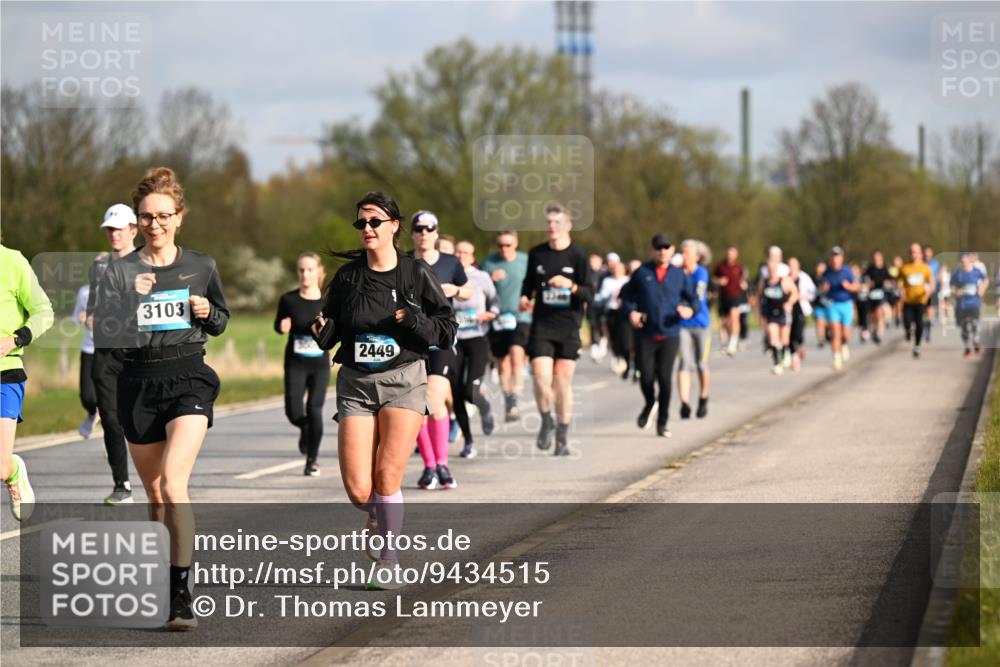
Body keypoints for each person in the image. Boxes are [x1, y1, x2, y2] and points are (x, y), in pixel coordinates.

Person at [93, 167, 229, 630]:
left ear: (179, 217)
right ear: (137, 221)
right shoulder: (120, 271)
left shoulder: (201, 265)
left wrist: (210, 312)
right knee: (154, 492)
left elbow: (221, 319)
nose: (155, 224)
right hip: (138, 382)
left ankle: (181, 591)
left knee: (173, 483)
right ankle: (162, 575)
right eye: (146, 217)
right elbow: (105, 335)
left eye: (163, 216)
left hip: (188, 375)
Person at [312, 191, 456, 588]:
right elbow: (333, 331)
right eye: (361, 223)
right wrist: (322, 333)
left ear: (395, 225)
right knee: (360, 490)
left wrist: (413, 321)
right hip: (356, 383)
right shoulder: (348, 278)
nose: (367, 229)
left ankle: (388, 563)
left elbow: (446, 328)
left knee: (387, 475)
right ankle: (378, 514)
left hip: (404, 379)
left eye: (375, 221)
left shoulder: (414, 274)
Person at [519, 203, 592, 456]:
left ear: (568, 226)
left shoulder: (578, 255)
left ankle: (562, 433)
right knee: (540, 377)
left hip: (569, 325)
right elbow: (528, 284)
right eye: (548, 222)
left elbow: (589, 293)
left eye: (557, 222)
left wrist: (570, 286)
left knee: (562, 381)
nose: (552, 227)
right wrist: (525, 297)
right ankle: (546, 419)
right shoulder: (537, 253)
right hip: (542, 324)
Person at [409, 211, 470, 489]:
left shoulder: (450, 262)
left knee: (434, 399)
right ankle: (430, 467)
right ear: (412, 233)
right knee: (417, 409)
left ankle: (443, 465)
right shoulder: (404, 263)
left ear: (436, 232)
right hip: (412, 342)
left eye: (429, 228)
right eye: (419, 228)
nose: (424, 233)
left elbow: (469, 291)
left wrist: (455, 291)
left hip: (442, 340)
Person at [86, 204, 140, 504]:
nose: (114, 234)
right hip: (105, 351)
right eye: (110, 229)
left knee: (139, 418)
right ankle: (122, 484)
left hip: (135, 351)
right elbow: (95, 300)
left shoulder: (146, 263)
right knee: (110, 418)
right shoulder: (99, 266)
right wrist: (91, 314)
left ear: (133, 230)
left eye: (119, 229)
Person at [620, 234, 698, 437]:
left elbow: (695, 300)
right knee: (646, 378)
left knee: (664, 379)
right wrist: (631, 312)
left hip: (670, 333)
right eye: (658, 248)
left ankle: (662, 422)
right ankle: (649, 403)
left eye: (666, 248)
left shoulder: (679, 275)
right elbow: (626, 295)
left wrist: (689, 310)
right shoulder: (642, 272)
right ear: (652, 250)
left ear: (672, 250)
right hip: (646, 333)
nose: (662, 251)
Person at [1, 243, 54, 521]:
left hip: (5, 372)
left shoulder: (12, 262)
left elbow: (44, 312)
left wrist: (16, 338)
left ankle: (13, 471)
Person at [275, 252, 330, 476]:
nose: (305, 274)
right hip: (295, 363)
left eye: (309, 269)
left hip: (319, 364)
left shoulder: (327, 301)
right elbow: (278, 324)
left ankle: (312, 460)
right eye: (301, 270)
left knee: (314, 409)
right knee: (294, 412)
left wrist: (327, 327)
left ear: (318, 271)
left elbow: (337, 330)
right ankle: (305, 428)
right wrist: (282, 326)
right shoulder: (289, 300)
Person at [452, 241, 499, 458]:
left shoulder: (481, 277)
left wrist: (491, 314)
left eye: (466, 253)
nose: (461, 255)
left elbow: (495, 302)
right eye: (458, 252)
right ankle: (469, 441)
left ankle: (484, 406)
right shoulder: (447, 275)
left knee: (471, 388)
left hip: (477, 338)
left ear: (472, 256)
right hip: (453, 341)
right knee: (456, 393)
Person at [481, 230, 531, 422]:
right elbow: (479, 288)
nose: (504, 249)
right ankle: (508, 397)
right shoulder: (488, 263)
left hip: (521, 316)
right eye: (500, 245)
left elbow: (534, 284)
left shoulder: (525, 261)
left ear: (516, 244)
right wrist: (490, 280)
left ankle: (515, 397)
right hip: (498, 318)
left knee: (517, 355)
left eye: (508, 245)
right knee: (502, 361)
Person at [678, 240, 711, 418]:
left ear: (696, 257)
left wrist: (690, 310)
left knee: (701, 363)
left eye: (687, 254)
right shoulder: (677, 273)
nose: (684, 257)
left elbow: (698, 295)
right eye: (682, 253)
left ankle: (703, 397)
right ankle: (684, 403)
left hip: (700, 323)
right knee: (684, 363)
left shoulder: (701, 273)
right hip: (682, 325)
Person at [820, 246, 859, 371]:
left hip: (846, 304)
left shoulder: (847, 271)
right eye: (833, 256)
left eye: (837, 256)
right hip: (833, 305)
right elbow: (821, 289)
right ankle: (836, 357)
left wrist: (849, 287)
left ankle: (844, 345)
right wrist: (823, 289)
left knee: (845, 334)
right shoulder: (826, 272)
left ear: (841, 258)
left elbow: (856, 286)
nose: (834, 259)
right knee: (835, 332)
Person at [760, 252, 798, 374]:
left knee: (784, 339)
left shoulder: (784, 280)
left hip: (783, 312)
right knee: (773, 339)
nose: (771, 270)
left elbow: (794, 293)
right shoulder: (764, 282)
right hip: (770, 314)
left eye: (773, 268)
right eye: (769, 268)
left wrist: (790, 303)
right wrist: (759, 312)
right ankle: (777, 363)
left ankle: (786, 353)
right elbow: (758, 296)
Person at [74, 275, 100, 439]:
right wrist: (81, 318)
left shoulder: (118, 291)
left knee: (111, 400)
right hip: (88, 349)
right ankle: (93, 413)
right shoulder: (84, 292)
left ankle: (112, 441)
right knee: (87, 397)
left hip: (110, 351)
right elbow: (75, 317)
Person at [898, 243, 934, 359]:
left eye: (916, 252)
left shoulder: (925, 268)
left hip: (921, 300)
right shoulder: (904, 267)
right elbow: (899, 282)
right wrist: (900, 290)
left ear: (920, 254)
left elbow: (932, 284)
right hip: (908, 300)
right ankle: (908, 331)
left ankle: (917, 345)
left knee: (919, 324)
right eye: (912, 252)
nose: (914, 254)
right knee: (907, 322)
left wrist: (928, 292)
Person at [596, 258, 631, 377]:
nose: (617, 271)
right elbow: (601, 297)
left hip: (625, 313)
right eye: (615, 269)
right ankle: (617, 358)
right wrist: (612, 294)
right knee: (614, 337)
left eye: (620, 269)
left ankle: (627, 361)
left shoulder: (628, 281)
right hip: (611, 311)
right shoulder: (607, 281)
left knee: (625, 339)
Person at [950, 252, 987, 358]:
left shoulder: (976, 271)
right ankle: (967, 348)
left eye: (965, 260)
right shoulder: (957, 274)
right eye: (962, 260)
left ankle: (975, 340)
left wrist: (982, 289)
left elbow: (986, 280)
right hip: (962, 304)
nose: (964, 262)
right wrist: (956, 292)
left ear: (970, 260)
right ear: (960, 261)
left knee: (975, 323)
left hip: (974, 302)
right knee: (964, 327)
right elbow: (952, 287)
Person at [713, 245, 747, 356]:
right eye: (728, 253)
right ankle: (725, 343)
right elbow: (713, 278)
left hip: (736, 296)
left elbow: (744, 278)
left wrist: (744, 284)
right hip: (723, 297)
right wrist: (719, 281)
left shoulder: (739, 266)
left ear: (736, 254)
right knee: (723, 322)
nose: (730, 255)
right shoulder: (720, 266)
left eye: (732, 253)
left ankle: (732, 344)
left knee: (734, 318)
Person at [787, 257, 815, 371]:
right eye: (790, 265)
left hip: (800, 308)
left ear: (798, 266)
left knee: (798, 333)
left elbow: (813, 293)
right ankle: (794, 358)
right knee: (789, 335)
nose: (792, 268)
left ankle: (800, 346)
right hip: (788, 309)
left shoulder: (804, 277)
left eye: (794, 265)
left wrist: (803, 297)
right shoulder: (785, 278)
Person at [863, 251, 892, 344]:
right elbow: (864, 280)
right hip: (872, 296)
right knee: (874, 316)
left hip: (882, 294)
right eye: (875, 258)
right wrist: (868, 285)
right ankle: (874, 331)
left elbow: (890, 279)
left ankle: (879, 335)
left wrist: (888, 283)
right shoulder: (870, 269)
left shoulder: (885, 268)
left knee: (880, 314)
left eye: (878, 258)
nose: (877, 260)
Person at [586, 253, 608, 362]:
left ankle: (603, 341)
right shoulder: (587, 274)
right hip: (591, 304)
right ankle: (594, 345)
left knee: (602, 325)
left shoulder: (605, 274)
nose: (593, 264)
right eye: (591, 261)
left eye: (595, 261)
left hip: (603, 305)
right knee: (592, 324)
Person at [924, 246, 941, 342]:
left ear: (932, 254)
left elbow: (937, 275)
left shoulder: (935, 264)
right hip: (922, 290)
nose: (927, 255)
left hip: (932, 289)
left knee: (930, 310)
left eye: (929, 253)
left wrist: (938, 284)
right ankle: (923, 325)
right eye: (925, 254)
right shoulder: (920, 264)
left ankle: (928, 331)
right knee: (923, 311)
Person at [813, 260, 830, 349]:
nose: (821, 269)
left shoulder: (828, 277)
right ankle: (821, 339)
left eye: (822, 266)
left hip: (829, 304)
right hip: (818, 304)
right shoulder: (813, 278)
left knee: (828, 323)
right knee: (820, 322)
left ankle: (827, 332)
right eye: (819, 266)